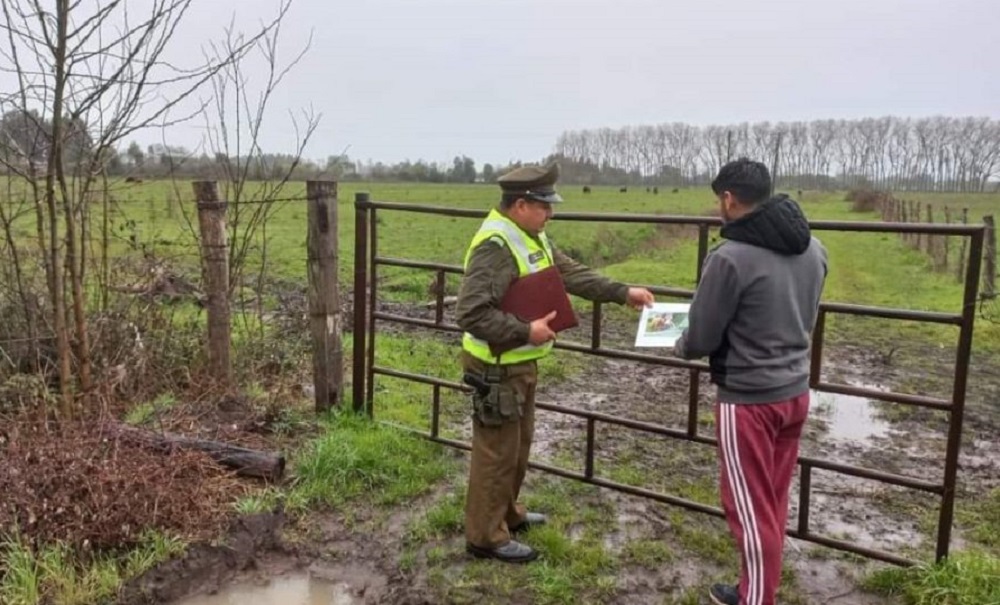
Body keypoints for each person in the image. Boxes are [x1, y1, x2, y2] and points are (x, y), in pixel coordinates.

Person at [456, 162, 654, 563]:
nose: (551, 213)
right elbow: (471, 313)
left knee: (517, 446)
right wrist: (526, 332)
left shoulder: (531, 235)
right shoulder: (495, 245)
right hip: (496, 367)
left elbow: (570, 274)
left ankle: (507, 516)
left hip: (517, 364)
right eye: (545, 205)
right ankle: (484, 536)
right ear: (521, 204)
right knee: (496, 452)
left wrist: (621, 292)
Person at [672, 159, 828, 605]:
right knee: (771, 501)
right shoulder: (814, 249)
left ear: (728, 199)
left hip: (748, 400)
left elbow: (702, 336)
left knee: (746, 506)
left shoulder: (729, 258)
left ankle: (756, 599)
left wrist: (680, 344)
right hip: (795, 392)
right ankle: (752, 587)